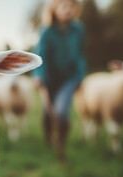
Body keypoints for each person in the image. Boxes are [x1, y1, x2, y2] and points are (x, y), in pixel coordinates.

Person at [33, 0, 86, 160]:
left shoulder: (78, 30)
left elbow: (80, 54)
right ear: (54, 9)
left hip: (68, 78)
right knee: (48, 112)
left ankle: (60, 144)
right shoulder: (46, 31)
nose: (68, 9)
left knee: (62, 111)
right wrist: (39, 76)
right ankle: (48, 137)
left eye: (71, 6)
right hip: (49, 78)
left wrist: (80, 76)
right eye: (63, 6)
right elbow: (40, 54)